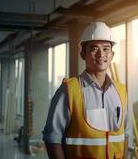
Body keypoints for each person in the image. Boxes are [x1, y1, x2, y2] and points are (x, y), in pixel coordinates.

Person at [43, 22, 130, 159]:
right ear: (83, 54)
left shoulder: (121, 91)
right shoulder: (69, 90)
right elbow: (52, 138)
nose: (101, 54)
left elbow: (125, 134)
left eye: (106, 49)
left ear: (112, 54)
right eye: (94, 49)